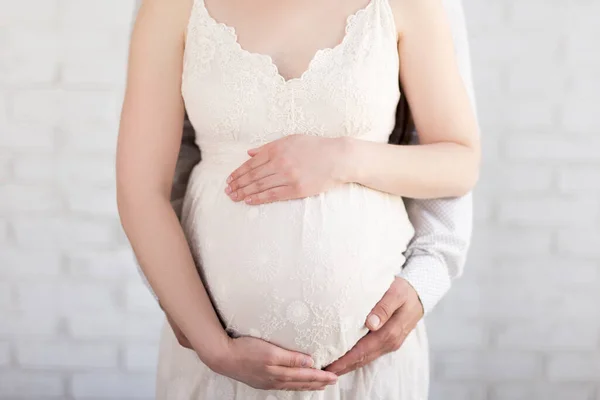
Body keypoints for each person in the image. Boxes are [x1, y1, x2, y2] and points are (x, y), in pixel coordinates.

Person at [118, 0, 479, 398]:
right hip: (217, 366)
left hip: (367, 372)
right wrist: (215, 348)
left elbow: (459, 162)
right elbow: (142, 192)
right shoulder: (170, 7)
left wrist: (342, 158)